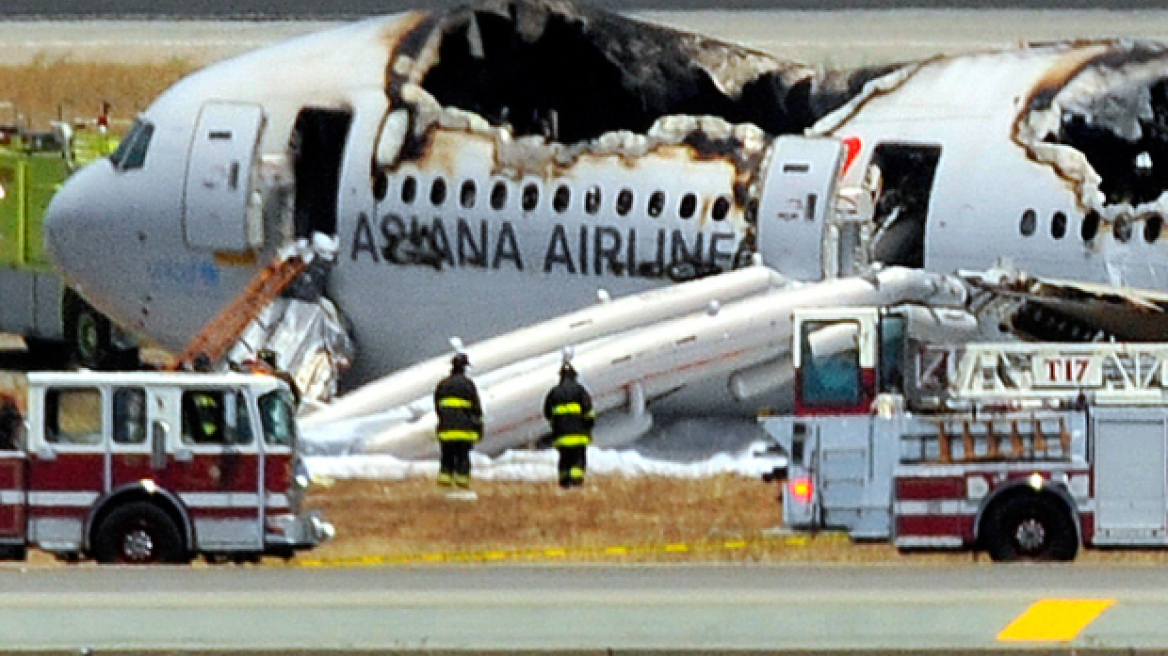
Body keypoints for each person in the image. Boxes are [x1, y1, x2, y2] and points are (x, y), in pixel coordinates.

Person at [434, 353, 482, 489]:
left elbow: (438, 407)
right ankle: (462, 483)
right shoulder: (468, 385)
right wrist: (478, 428)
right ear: (464, 368)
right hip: (464, 431)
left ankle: (444, 483)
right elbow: (476, 410)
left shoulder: (443, 385)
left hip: (446, 430)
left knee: (447, 457)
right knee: (462, 457)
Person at [543, 361, 595, 488]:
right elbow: (589, 412)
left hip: (561, 436)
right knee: (577, 461)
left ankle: (564, 484)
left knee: (565, 460)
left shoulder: (554, 393)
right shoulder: (580, 391)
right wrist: (588, 427)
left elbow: (547, 412)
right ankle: (576, 483)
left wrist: (555, 425)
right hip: (579, 436)